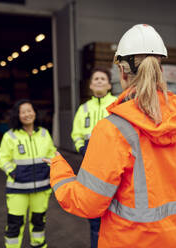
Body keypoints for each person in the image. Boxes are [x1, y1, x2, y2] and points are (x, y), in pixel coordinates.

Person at [45, 24, 176, 248]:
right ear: (160, 70)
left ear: (121, 72)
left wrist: (58, 168)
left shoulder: (113, 129)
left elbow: (87, 203)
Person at [0, 99, 56, 248]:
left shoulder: (44, 133)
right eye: (23, 112)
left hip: (41, 188)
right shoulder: (10, 136)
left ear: (35, 113)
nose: (27, 114)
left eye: (30, 110)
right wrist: (13, 171)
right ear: (17, 115)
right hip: (18, 189)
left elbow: (52, 154)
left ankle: (38, 245)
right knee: (14, 224)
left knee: (38, 222)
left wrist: (51, 170)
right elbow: (2, 158)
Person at [71, 67, 117, 248]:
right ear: (90, 86)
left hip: (114, 165)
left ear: (109, 85)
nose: (99, 81)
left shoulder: (117, 105)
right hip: (90, 168)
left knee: (115, 211)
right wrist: (81, 148)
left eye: (102, 78)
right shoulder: (83, 109)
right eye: (95, 79)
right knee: (94, 212)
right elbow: (76, 134)